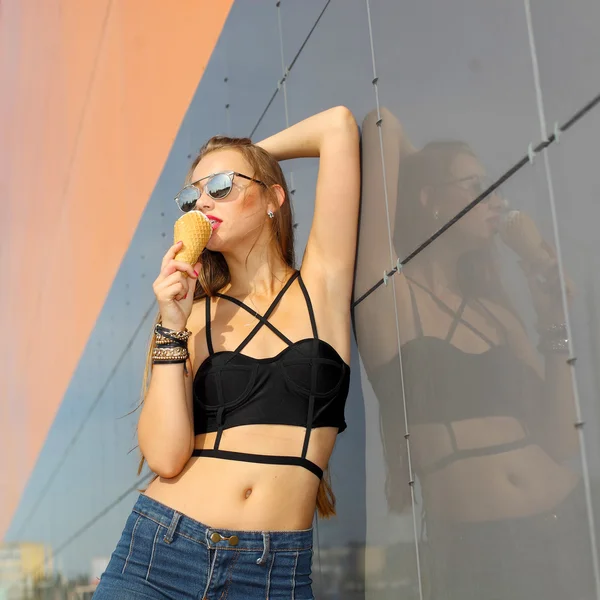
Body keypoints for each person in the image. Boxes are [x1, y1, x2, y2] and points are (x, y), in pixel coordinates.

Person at [93, 106, 360, 599]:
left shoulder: (320, 284)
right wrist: (170, 325)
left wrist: (254, 158)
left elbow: (337, 126)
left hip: (272, 573)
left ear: (273, 197)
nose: (201, 203)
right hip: (161, 554)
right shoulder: (193, 316)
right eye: (191, 197)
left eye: (219, 188)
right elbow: (165, 456)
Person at [357, 118, 594, 599]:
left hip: (571, 518)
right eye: (477, 187)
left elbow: (559, 439)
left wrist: (553, 321)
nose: (498, 200)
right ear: (430, 198)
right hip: (484, 549)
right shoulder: (391, 296)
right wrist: (431, 167)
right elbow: (380, 125)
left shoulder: (496, 314)